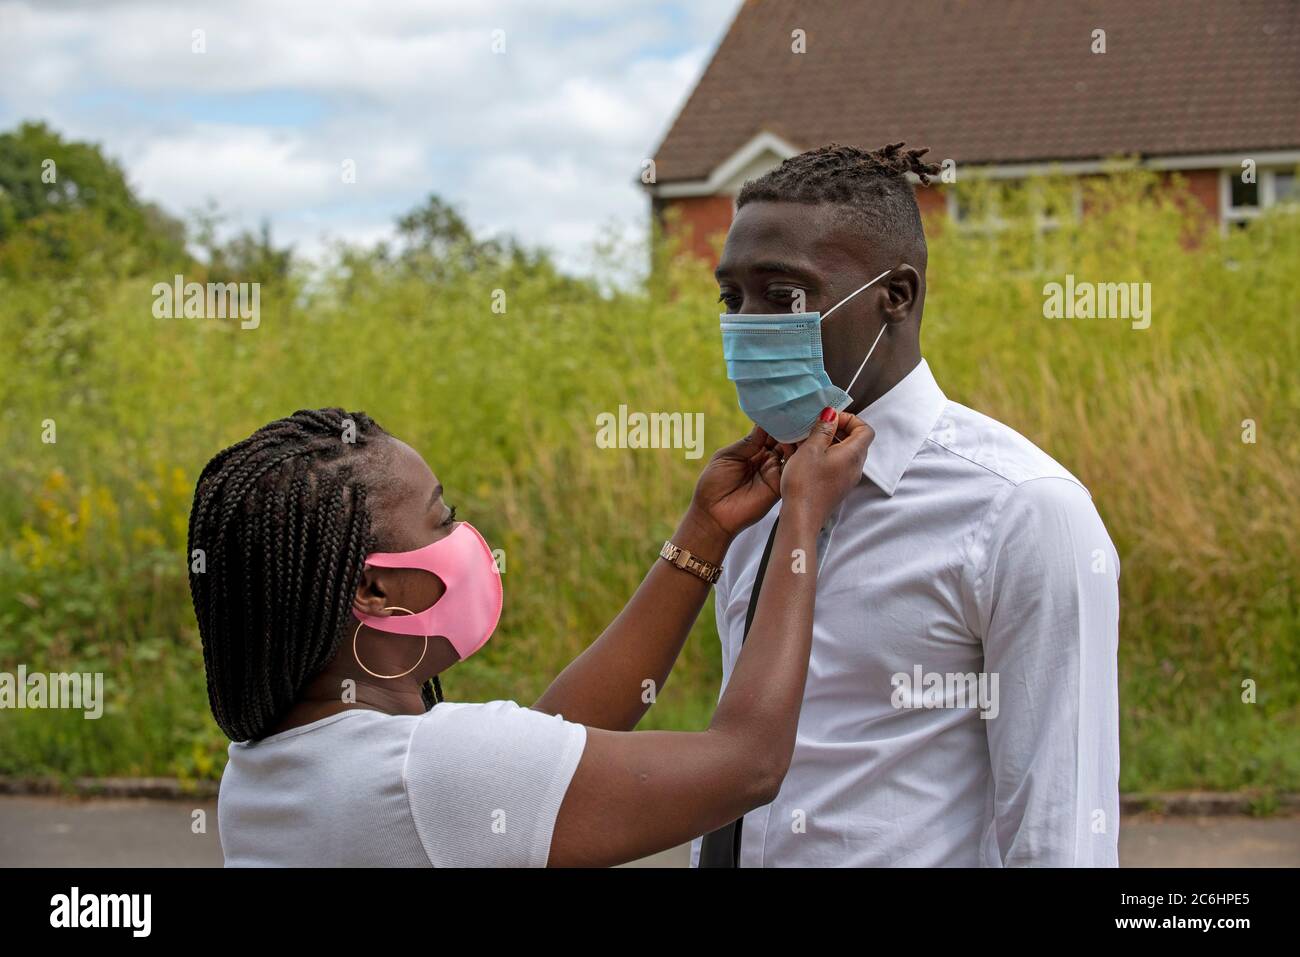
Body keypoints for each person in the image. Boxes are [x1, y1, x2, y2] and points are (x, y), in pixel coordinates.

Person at [189, 405, 872, 867]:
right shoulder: (430, 770)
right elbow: (748, 762)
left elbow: (541, 759)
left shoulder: (262, 770)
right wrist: (803, 518)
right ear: (374, 589)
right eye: (442, 518)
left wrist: (706, 529)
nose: (465, 537)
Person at [699, 142, 1120, 867]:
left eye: (785, 294)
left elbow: (1060, 826)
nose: (750, 325)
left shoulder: (1021, 511)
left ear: (896, 296)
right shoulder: (751, 503)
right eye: (732, 298)